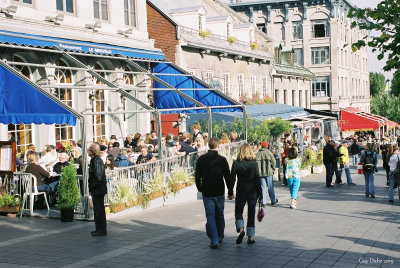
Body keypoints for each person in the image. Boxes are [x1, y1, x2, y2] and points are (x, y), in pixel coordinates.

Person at [195, 138, 230, 249]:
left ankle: (214, 240)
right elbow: (227, 176)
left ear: (208, 145)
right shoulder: (222, 160)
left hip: (207, 191)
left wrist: (199, 188)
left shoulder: (201, 159)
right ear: (218, 146)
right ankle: (220, 235)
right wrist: (230, 190)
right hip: (219, 191)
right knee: (220, 214)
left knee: (210, 216)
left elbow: (197, 176)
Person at [230, 143, 261, 245]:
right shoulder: (254, 164)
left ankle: (241, 229)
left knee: (238, 211)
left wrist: (230, 191)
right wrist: (260, 194)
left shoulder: (236, 163)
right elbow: (257, 179)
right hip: (252, 192)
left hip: (241, 191)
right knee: (251, 213)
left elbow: (232, 179)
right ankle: (250, 237)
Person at [88, 143, 107, 236]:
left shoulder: (97, 161)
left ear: (92, 151)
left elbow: (98, 176)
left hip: (98, 189)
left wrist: (93, 186)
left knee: (99, 210)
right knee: (98, 209)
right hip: (97, 188)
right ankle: (99, 228)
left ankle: (101, 230)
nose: (88, 152)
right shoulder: (95, 160)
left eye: (89, 150)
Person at [256, 141, 278, 207]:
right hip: (269, 173)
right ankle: (273, 201)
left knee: (263, 187)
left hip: (260, 173)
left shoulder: (258, 154)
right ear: (267, 146)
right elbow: (274, 162)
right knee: (270, 187)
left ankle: (264, 202)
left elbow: (255, 164)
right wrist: (273, 169)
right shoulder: (269, 153)